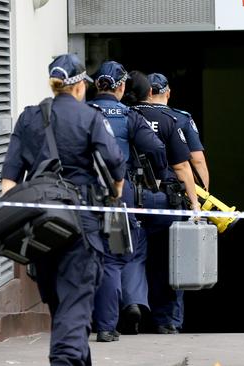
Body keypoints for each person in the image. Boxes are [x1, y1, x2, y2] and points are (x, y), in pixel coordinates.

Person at [1, 54, 127, 365]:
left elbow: (8, 183)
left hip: (40, 227)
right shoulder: (90, 118)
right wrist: (112, 197)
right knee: (74, 307)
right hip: (80, 226)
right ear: (80, 87)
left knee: (65, 308)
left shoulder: (29, 118)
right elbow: (115, 168)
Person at [88, 61, 169, 341]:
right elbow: (156, 148)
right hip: (119, 196)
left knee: (86, 256)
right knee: (123, 255)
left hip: (82, 197)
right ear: (121, 87)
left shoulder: (82, 113)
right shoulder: (129, 116)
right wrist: (157, 178)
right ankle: (118, 316)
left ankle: (84, 320)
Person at [123, 71, 200, 334]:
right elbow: (185, 165)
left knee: (132, 256)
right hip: (166, 200)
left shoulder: (126, 116)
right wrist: (196, 202)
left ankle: (131, 307)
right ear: (161, 92)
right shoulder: (171, 118)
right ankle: (168, 322)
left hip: (131, 197)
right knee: (170, 260)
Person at [148, 73, 210, 189]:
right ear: (168, 93)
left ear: (147, 93)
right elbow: (198, 161)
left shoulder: (133, 116)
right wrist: (203, 196)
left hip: (138, 188)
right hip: (174, 188)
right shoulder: (181, 118)